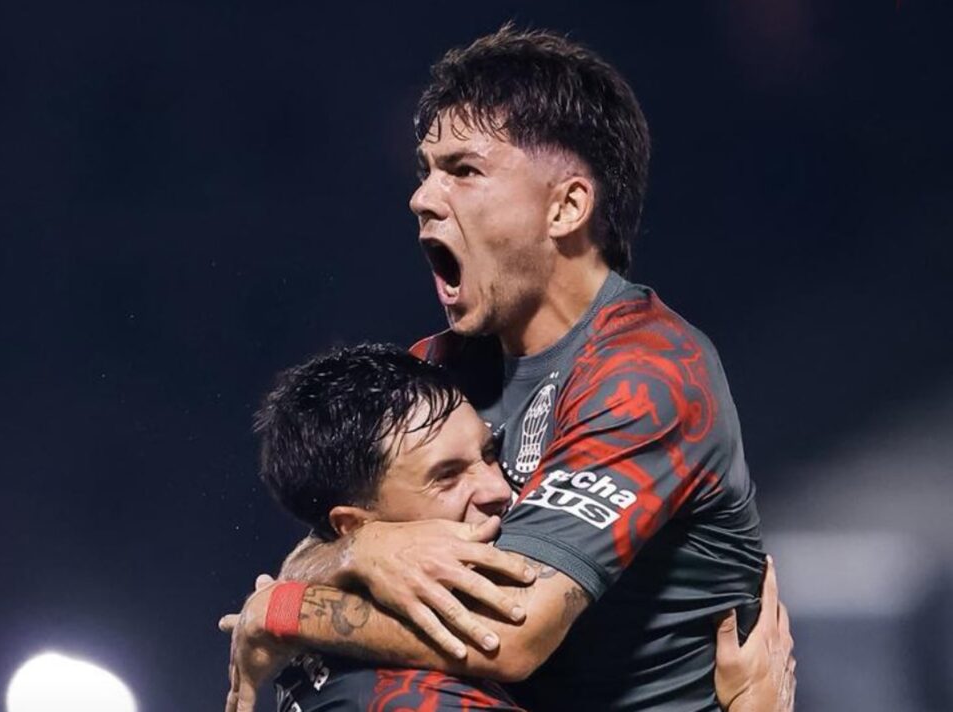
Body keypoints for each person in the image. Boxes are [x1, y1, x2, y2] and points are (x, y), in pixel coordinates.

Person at [225, 25, 790, 711]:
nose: (424, 198)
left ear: (566, 206)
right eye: (425, 171)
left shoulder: (647, 374)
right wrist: (355, 554)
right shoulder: (433, 379)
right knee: (324, 690)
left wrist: (283, 614)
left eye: (463, 170)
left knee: (388, 697)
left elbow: (507, 632)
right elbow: (313, 553)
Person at [220, 343, 794, 712]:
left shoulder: (335, 649)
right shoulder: (413, 697)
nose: (499, 489)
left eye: (489, 454)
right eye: (447, 478)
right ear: (354, 522)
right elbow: (510, 642)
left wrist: (298, 596)